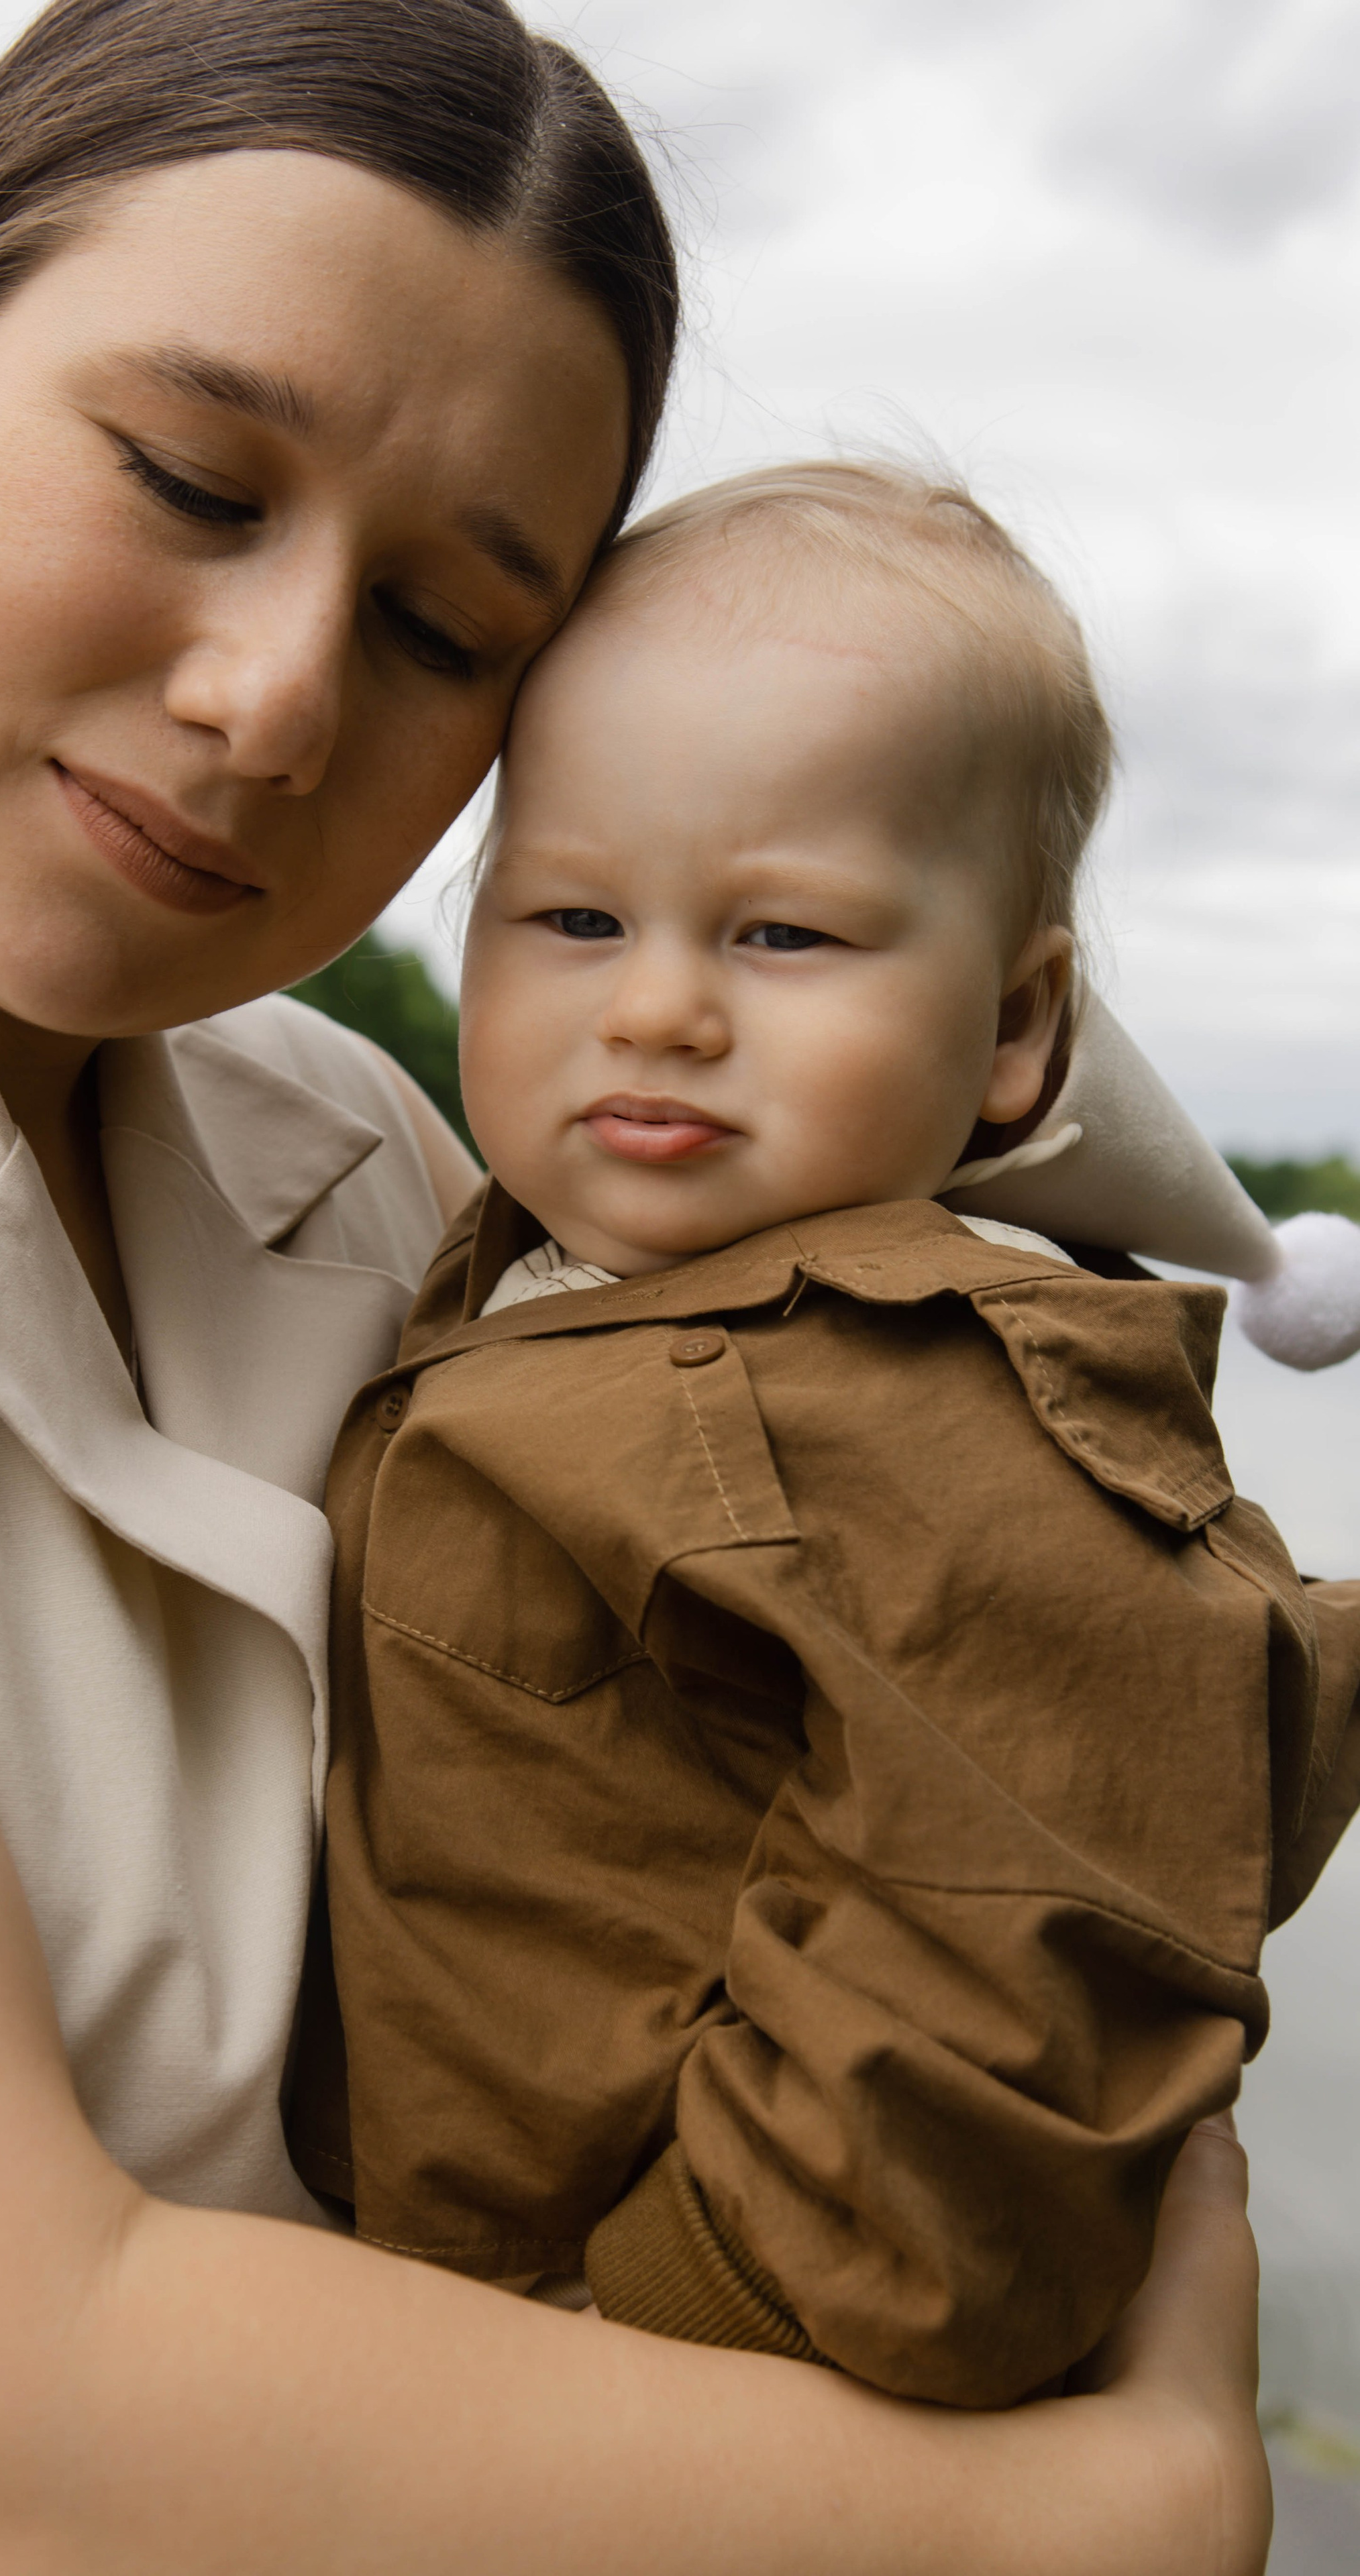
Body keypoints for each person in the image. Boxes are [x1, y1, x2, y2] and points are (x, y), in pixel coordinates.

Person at [0, 2, 1271, 2565]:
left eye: (444, 631)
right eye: (191, 476)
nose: (274, 696)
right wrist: (1094, 2518)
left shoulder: (394, 1162)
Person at [294, 462, 1360, 2408]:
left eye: (784, 937)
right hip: (447, 2316)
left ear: (1022, 1031)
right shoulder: (532, 1267)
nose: (664, 1009)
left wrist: (673, 2316)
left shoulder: (947, 1403)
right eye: (576, 916)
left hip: (716, 2381)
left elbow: (1021, 1964)